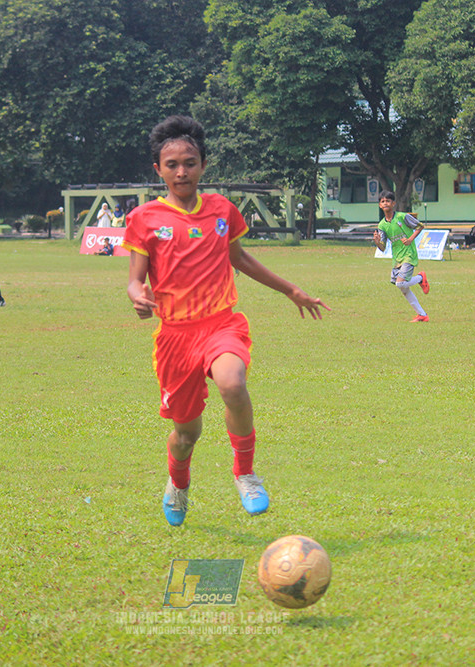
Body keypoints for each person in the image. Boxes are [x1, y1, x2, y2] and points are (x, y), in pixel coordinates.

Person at [122, 115, 329, 527]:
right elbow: (134, 280)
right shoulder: (144, 218)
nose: (182, 171)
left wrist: (291, 291)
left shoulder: (222, 210)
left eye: (191, 162)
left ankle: (245, 473)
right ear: (158, 170)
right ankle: (178, 483)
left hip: (220, 323)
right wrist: (138, 297)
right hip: (175, 338)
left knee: (233, 383)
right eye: (172, 164)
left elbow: (241, 259)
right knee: (186, 435)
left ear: (202, 164)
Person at [372, 191, 430, 322]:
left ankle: (420, 278)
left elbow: (420, 226)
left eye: (388, 201)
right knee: (403, 288)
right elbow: (383, 247)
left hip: (409, 254)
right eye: (382, 201)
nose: (385, 203)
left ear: (393, 203)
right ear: (380, 205)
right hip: (397, 257)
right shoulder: (382, 225)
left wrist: (410, 239)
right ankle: (422, 315)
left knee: (401, 283)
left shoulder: (403, 217)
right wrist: (377, 242)